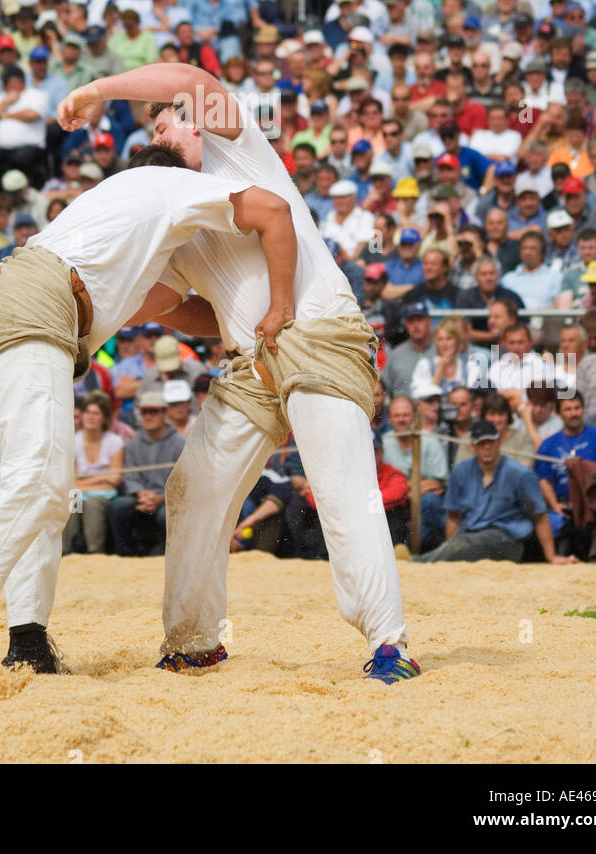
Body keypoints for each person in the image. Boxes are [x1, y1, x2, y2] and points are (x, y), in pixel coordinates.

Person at [60, 62, 419, 684]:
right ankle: (195, 640)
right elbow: (178, 306)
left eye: (170, 119)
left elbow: (190, 75)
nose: (167, 129)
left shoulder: (238, 152)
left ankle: (390, 643)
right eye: (160, 127)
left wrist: (99, 90)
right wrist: (87, 335)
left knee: (340, 489)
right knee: (191, 487)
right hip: (250, 358)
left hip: (315, 331)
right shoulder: (179, 215)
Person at [0, 157, 298, 673]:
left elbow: (180, 310)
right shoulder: (170, 181)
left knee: (35, 497)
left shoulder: (120, 226)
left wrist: (243, 318)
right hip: (36, 311)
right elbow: (274, 207)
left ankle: (28, 643)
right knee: (45, 486)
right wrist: (284, 305)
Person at [415, 419, 576, 564]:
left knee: (465, 544)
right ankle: (424, 562)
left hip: (506, 538)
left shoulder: (520, 473)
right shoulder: (460, 471)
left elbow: (540, 516)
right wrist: (450, 546)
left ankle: (416, 562)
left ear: (499, 442)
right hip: (469, 535)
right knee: (460, 544)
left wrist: (551, 556)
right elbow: (453, 516)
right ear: (472, 446)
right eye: (481, 443)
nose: (487, 447)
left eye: (491, 442)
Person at [535, 391, 596, 558]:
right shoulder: (548, 444)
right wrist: (555, 505)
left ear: (583, 410)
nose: (573, 413)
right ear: (559, 413)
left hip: (594, 504)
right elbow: (544, 480)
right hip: (563, 506)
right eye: (568, 409)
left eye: (577, 408)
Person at [108, 391, 184, 556]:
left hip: (168, 501)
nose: (148, 416)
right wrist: (141, 493)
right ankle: (126, 556)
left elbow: (184, 482)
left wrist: (162, 498)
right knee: (118, 506)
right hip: (141, 499)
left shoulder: (180, 443)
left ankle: (169, 555)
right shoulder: (133, 445)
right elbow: (129, 476)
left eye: (153, 411)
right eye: (144, 412)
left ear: (165, 413)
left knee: (168, 514)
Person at [382, 395, 449, 550]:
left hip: (425, 498)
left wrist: (407, 489)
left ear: (413, 417)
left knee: (430, 502)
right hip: (395, 500)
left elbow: (438, 482)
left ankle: (420, 552)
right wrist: (409, 489)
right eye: (396, 416)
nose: (401, 420)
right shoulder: (384, 443)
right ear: (389, 419)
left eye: (405, 415)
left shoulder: (431, 441)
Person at [63, 392, 123, 554]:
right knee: (72, 501)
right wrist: (102, 478)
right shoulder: (73, 440)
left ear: (104, 418)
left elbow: (115, 478)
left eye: (96, 413)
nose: (91, 417)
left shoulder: (114, 441)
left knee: (92, 504)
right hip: (81, 492)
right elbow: (72, 480)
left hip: (104, 494)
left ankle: (95, 554)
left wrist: (85, 481)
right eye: (87, 412)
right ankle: (67, 553)